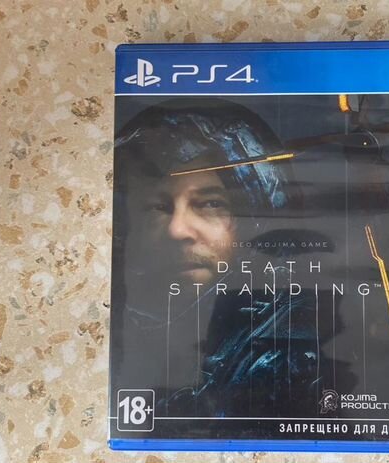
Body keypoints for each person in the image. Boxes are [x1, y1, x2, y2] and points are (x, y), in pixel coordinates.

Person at [112, 98, 342, 418]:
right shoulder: (121, 333)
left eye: (210, 204)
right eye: (157, 207)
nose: (178, 229)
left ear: (255, 219)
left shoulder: (293, 354)